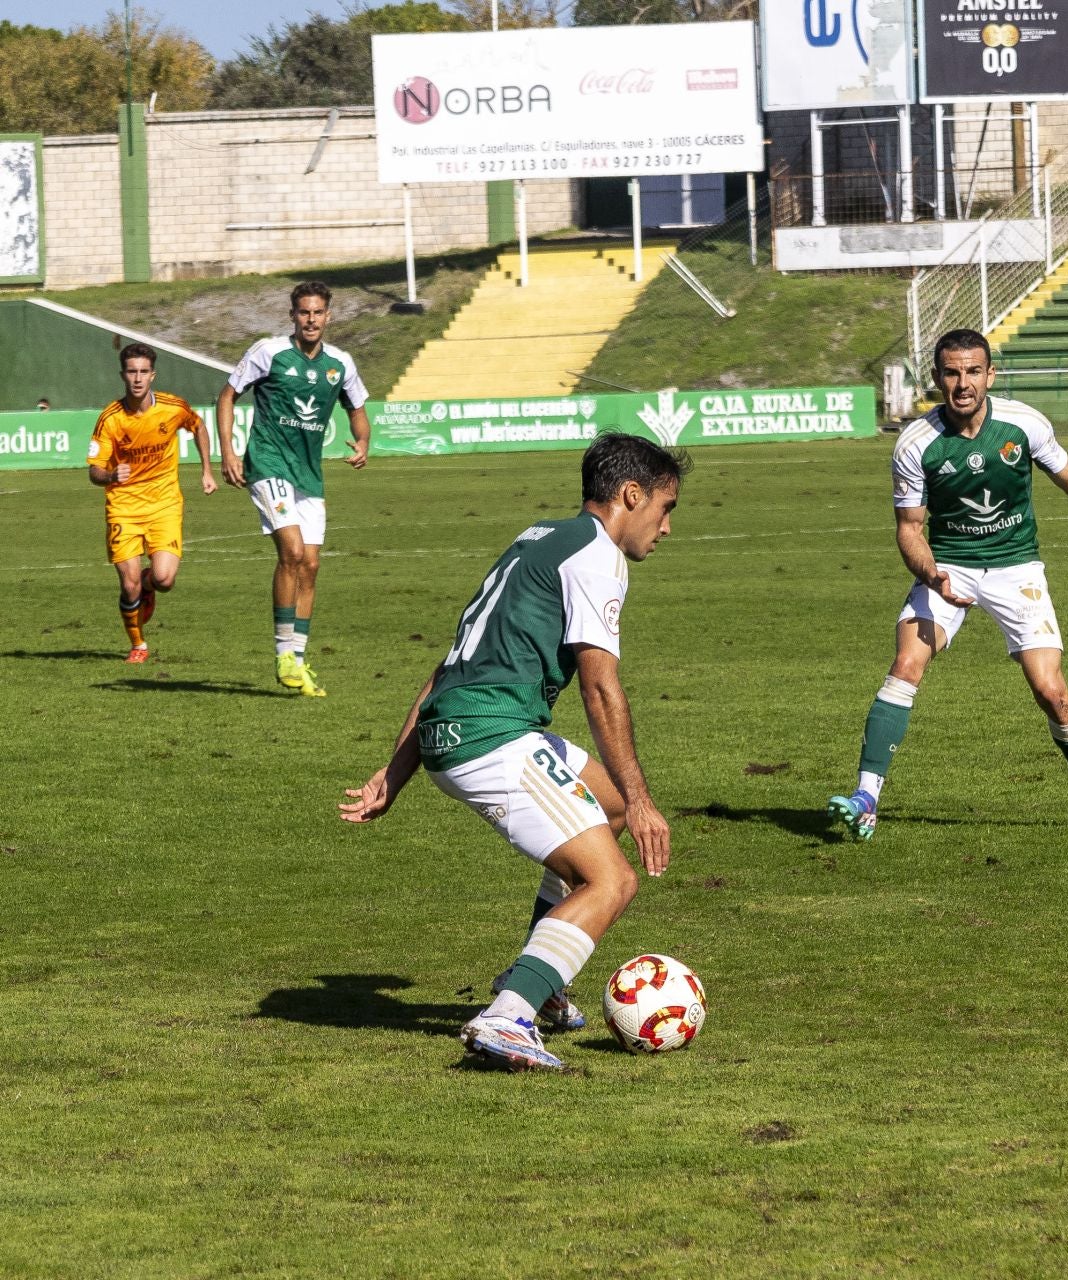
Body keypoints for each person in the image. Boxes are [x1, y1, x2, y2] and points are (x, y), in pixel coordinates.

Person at [338, 432, 684, 1072]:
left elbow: (451, 664)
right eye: (665, 509)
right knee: (612, 878)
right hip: (492, 737)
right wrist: (644, 801)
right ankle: (508, 1017)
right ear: (631, 495)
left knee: (599, 807)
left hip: (456, 724)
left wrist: (397, 770)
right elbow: (601, 687)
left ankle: (542, 982)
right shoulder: (598, 556)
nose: (665, 529)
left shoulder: (537, 538)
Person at [824, 329, 1068, 842]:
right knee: (906, 664)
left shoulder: (1023, 424)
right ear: (937, 378)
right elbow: (910, 529)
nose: (962, 383)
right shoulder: (916, 443)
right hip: (948, 565)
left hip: (1017, 569)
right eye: (952, 372)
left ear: (990, 374)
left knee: (1053, 694)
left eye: (973, 371)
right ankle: (866, 798)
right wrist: (934, 577)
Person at [217, 281, 371, 698]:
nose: (311, 319)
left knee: (313, 566)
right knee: (293, 552)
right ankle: (284, 653)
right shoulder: (268, 352)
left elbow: (357, 409)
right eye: (303, 312)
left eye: (318, 312)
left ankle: (298, 661)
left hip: (308, 474)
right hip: (267, 463)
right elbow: (228, 395)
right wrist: (229, 451)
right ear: (292, 316)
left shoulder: (341, 363)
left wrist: (363, 443)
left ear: (328, 316)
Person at [86, 343, 217, 663]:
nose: (138, 378)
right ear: (123, 375)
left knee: (164, 580)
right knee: (128, 585)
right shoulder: (110, 419)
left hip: (164, 505)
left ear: (153, 375)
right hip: (124, 507)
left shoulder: (173, 407)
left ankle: (149, 582)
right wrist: (112, 474)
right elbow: (93, 471)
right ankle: (138, 645)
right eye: (132, 371)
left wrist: (206, 470)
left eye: (144, 371)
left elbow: (198, 426)